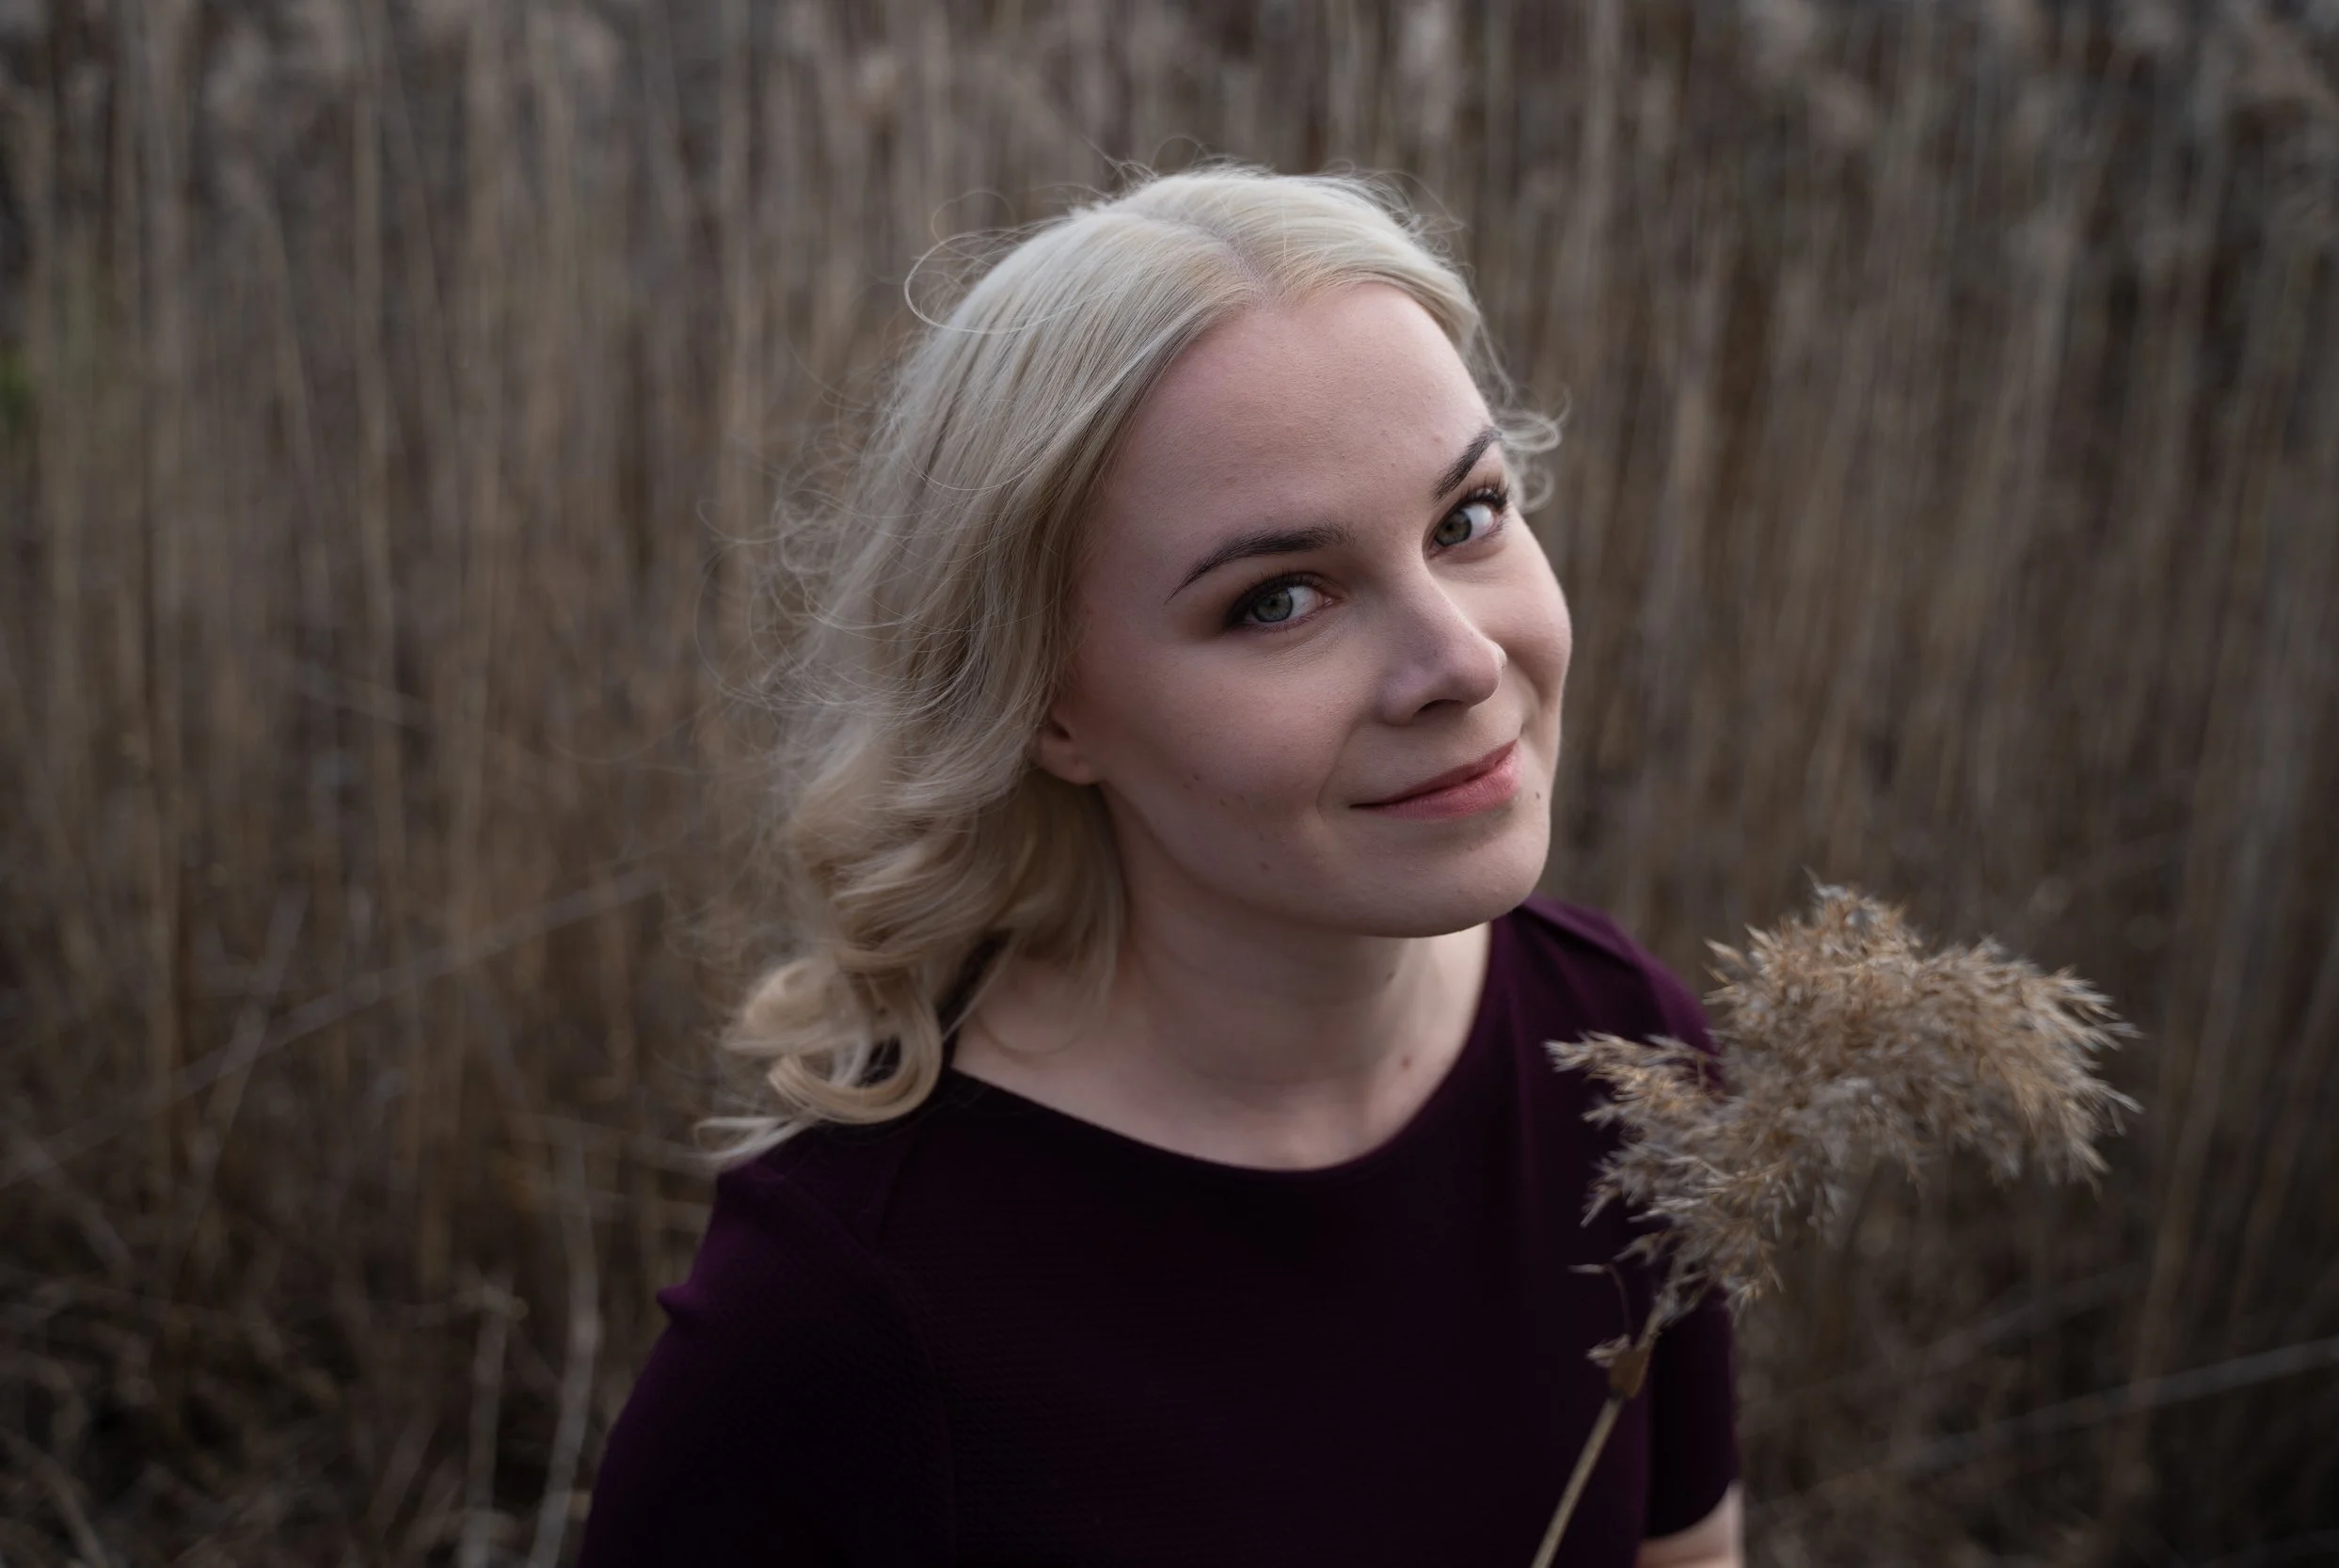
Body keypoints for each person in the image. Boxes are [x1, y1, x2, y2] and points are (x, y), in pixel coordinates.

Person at [578, 166, 1741, 1568]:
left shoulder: (1621, 1056)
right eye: (1280, 599)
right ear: (1049, 708)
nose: (1462, 658)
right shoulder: (847, 1310)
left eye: (1468, 517)